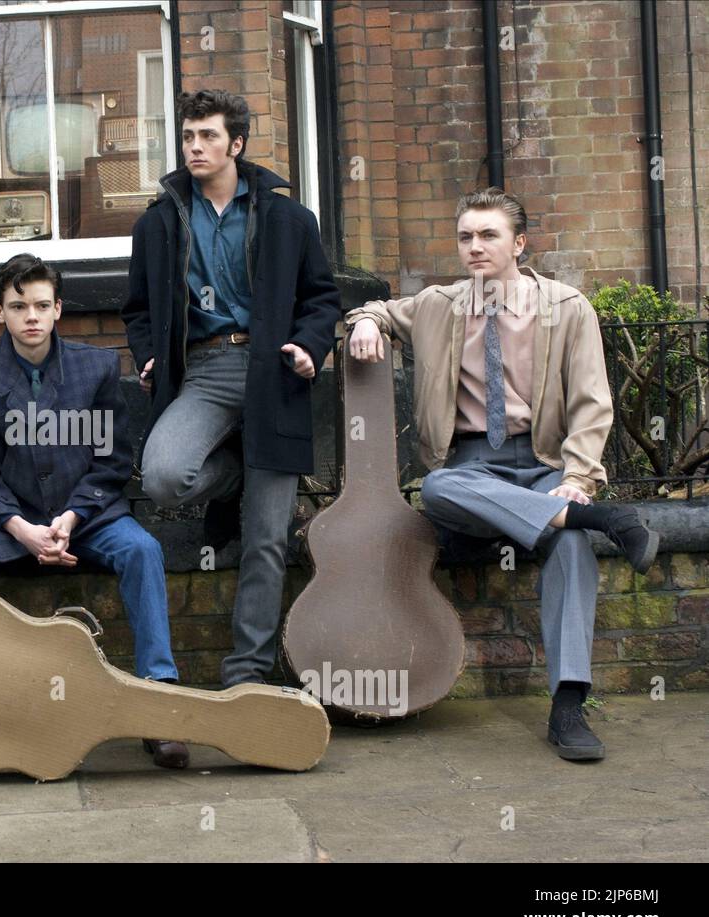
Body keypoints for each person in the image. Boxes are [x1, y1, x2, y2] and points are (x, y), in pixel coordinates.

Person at [344, 186, 659, 761]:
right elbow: (379, 312)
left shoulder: (566, 309)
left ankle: (568, 705)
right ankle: (604, 518)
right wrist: (366, 320)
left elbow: (593, 404)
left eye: (488, 235)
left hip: (543, 466)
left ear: (520, 244)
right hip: (472, 475)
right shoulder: (439, 304)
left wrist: (579, 477)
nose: (475, 247)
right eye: (465, 236)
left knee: (570, 547)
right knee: (438, 487)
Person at [0, 254, 190, 769]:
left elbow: (111, 463)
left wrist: (70, 520)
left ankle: (160, 701)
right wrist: (20, 529)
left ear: (59, 308)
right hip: (5, 519)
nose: (31, 316)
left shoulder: (98, 366)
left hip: (84, 517)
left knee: (142, 549)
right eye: (19, 306)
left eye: (42, 305)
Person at [122, 89, 341, 689]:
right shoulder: (159, 221)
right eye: (189, 137)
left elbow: (322, 298)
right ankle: (245, 474)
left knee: (266, 538)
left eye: (208, 136)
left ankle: (246, 673)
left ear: (236, 144)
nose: (195, 147)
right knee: (166, 474)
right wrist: (147, 357)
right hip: (205, 370)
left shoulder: (289, 219)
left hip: (273, 371)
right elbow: (137, 307)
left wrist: (309, 345)